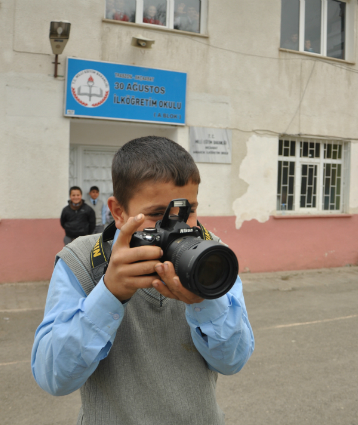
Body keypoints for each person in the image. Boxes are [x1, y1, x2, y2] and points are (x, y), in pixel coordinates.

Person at [32, 136, 254, 424]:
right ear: (118, 211)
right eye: (157, 214)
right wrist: (108, 294)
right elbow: (54, 378)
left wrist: (206, 301)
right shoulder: (82, 260)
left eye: (189, 211)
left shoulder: (213, 257)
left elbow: (232, 362)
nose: (178, 227)